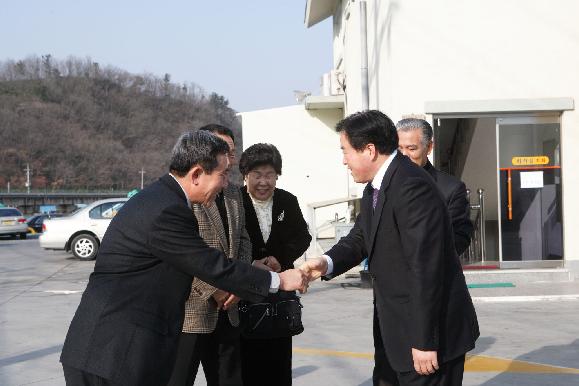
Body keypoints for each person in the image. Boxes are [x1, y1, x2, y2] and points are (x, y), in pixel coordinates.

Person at [59, 131, 308, 386]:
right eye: (222, 175)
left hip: (122, 347)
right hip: (112, 352)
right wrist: (277, 280)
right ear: (197, 174)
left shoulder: (164, 199)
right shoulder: (167, 210)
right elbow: (208, 263)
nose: (225, 184)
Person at [301, 110, 479, 386]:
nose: (344, 160)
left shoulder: (411, 186)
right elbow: (360, 237)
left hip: (426, 340)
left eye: (346, 151)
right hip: (395, 333)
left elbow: (425, 268)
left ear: (369, 150)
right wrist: (325, 263)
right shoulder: (377, 186)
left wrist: (423, 340)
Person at [167, 124, 252, 386]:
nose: (228, 156)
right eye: (222, 149)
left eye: (232, 151)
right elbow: (181, 252)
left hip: (230, 309)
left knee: (229, 379)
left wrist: (237, 283)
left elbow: (243, 240)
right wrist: (214, 288)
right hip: (191, 311)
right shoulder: (182, 197)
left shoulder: (235, 192)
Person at [238, 143, 312, 386]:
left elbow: (303, 236)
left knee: (279, 362)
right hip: (243, 296)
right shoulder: (235, 202)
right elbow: (227, 244)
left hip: (280, 296)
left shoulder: (287, 201)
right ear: (245, 176)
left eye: (270, 175)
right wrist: (250, 262)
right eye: (257, 175)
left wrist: (281, 257)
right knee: (247, 364)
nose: (263, 182)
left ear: (277, 176)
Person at [396, 118, 473, 255]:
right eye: (399, 149)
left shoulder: (450, 189)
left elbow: (460, 237)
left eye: (411, 149)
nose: (404, 155)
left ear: (429, 147)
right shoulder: (382, 184)